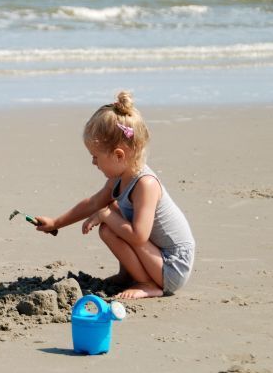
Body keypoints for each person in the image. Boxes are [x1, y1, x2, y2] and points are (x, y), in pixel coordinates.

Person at [35, 91, 195, 299]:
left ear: (119, 155)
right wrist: (56, 222)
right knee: (109, 225)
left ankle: (147, 283)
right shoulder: (119, 178)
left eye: (95, 157)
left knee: (110, 219)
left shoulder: (145, 184)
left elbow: (139, 236)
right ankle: (128, 274)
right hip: (156, 257)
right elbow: (93, 202)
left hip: (172, 267)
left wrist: (106, 214)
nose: (93, 163)